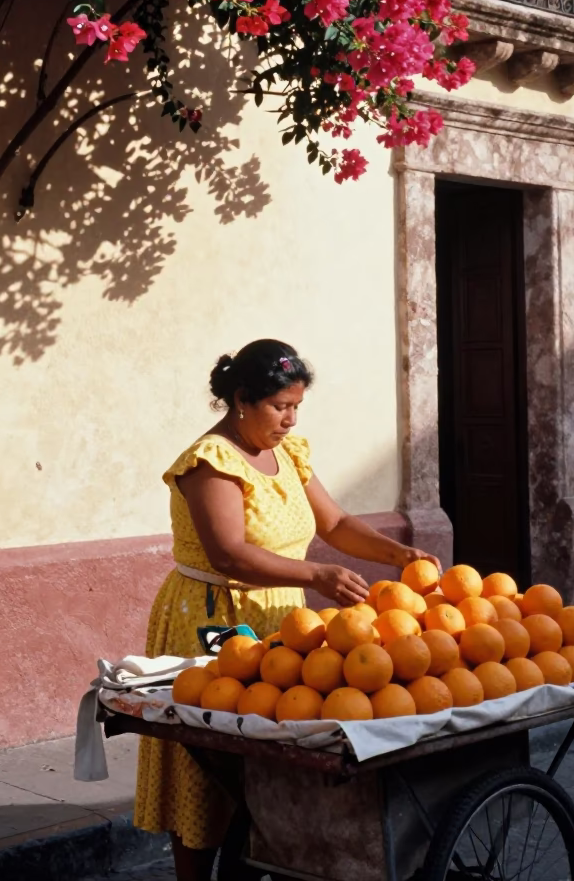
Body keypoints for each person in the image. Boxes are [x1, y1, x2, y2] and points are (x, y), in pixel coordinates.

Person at [134, 338, 441, 881]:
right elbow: (230, 552)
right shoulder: (210, 463)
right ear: (242, 399)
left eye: (297, 406)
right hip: (215, 617)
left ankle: (256, 862)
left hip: (281, 620)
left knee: (272, 758)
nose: (291, 420)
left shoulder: (287, 454)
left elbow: (336, 524)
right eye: (281, 407)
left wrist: (399, 553)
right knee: (210, 766)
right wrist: (316, 575)